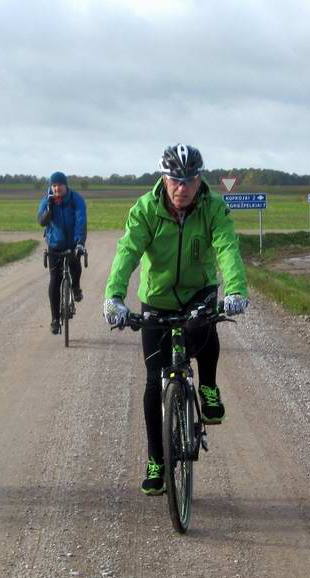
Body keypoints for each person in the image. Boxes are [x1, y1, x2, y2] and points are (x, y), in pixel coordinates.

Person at [103, 144, 248, 496]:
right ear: (164, 179)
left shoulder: (213, 207)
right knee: (154, 382)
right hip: (158, 297)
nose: (182, 188)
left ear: (200, 181)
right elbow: (128, 251)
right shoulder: (146, 209)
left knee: (207, 327)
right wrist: (115, 296)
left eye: (190, 180)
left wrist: (236, 290)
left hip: (198, 290)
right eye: (175, 180)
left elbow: (227, 246)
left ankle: (208, 387)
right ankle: (157, 460)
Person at [37, 171, 87, 335]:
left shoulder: (75, 200)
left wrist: (80, 243)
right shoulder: (47, 200)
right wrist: (50, 208)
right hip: (55, 246)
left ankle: (76, 288)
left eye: (59, 185)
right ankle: (55, 319)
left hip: (73, 243)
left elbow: (81, 221)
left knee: (75, 267)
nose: (57, 188)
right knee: (55, 280)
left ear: (66, 185)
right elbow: (41, 221)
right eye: (54, 185)